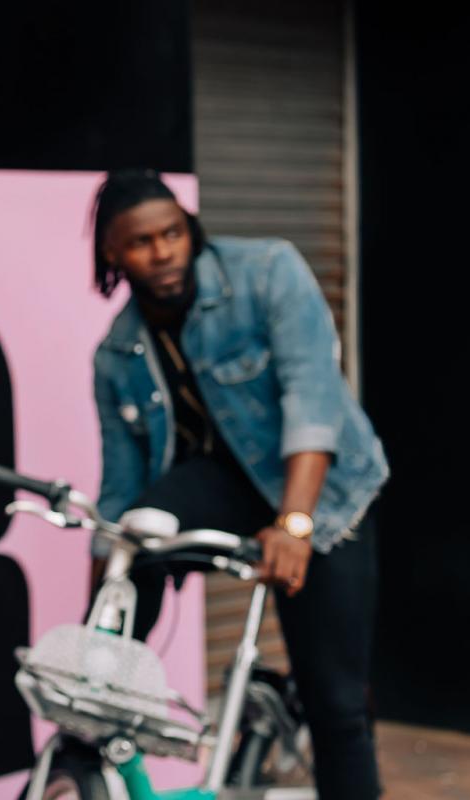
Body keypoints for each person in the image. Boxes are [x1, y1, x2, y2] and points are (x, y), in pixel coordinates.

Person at [88, 169, 389, 798]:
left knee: (335, 700)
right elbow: (120, 486)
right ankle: (98, 686)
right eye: (141, 242)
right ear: (113, 252)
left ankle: (298, 713)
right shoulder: (118, 353)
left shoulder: (269, 272)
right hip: (222, 485)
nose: (163, 250)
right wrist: (105, 593)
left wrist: (294, 525)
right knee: (140, 529)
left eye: (173, 232)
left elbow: (313, 400)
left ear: (189, 229)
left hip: (323, 496)